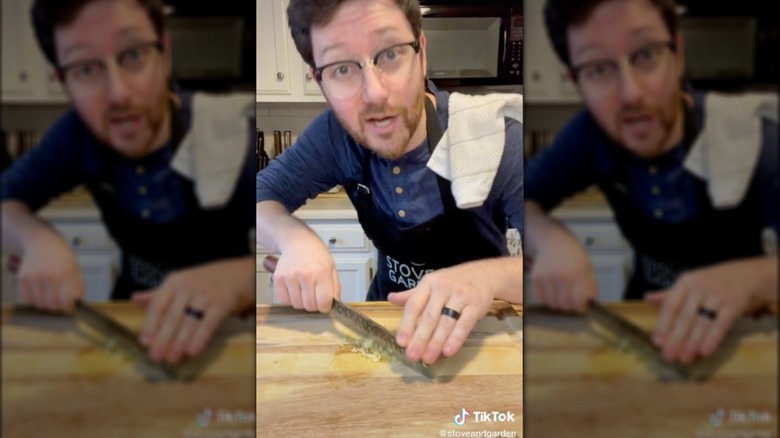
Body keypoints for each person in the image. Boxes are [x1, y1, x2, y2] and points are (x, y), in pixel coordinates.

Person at [255, 0, 523, 365]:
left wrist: (486, 279)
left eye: (391, 53)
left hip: (483, 342)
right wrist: (295, 239)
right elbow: (260, 194)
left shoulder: (490, 137)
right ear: (319, 81)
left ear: (421, 53)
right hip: (387, 334)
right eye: (342, 68)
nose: (375, 93)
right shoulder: (335, 138)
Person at [0, 0, 255, 364]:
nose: (119, 93)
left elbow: (274, 244)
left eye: (133, 54)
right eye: (86, 69)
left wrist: (236, 282)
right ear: (63, 82)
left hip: (227, 341)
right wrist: (35, 239)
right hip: (137, 327)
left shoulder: (229, 134)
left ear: (164, 54)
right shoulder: (76, 138)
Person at [525, 0, 778, 364]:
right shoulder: (590, 137)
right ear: (575, 80)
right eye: (598, 69)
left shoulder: (754, 139)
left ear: (678, 52)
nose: (631, 94)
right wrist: (549, 238)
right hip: (647, 328)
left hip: (743, 339)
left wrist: (748, 279)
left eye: (646, 55)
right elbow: (527, 199)